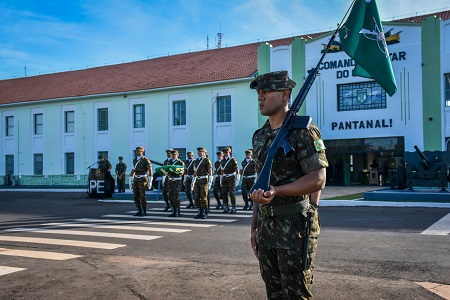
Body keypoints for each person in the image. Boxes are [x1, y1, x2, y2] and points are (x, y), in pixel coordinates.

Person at [248, 71, 327, 299]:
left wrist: (278, 191)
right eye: (259, 93)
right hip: (266, 227)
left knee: (296, 294)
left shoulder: (303, 132)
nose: (260, 97)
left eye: (266, 91)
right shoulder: (260, 135)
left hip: (295, 228)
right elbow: (258, 183)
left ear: (285, 94)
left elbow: (318, 179)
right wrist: (254, 227)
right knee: (273, 293)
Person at [130, 146, 153, 216]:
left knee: (142, 195)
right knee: (135, 195)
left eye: (139, 151)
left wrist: (150, 181)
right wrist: (130, 180)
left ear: (142, 152)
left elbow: (150, 170)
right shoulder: (134, 160)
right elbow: (133, 170)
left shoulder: (145, 160)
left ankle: (144, 211)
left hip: (143, 179)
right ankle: (139, 210)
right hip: (136, 179)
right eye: (136, 151)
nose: (137, 152)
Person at [193, 147, 212, 219]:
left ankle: (204, 212)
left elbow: (210, 172)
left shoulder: (207, 161)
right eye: (198, 151)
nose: (199, 153)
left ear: (204, 153)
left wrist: (210, 181)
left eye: (201, 151)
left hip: (204, 181)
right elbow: (195, 172)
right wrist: (193, 181)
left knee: (203, 197)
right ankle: (199, 211)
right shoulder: (196, 161)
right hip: (197, 180)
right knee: (196, 197)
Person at [220, 147, 239, 213]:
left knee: (231, 193)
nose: (225, 154)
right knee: (224, 193)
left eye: (227, 152)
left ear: (229, 152)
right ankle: (226, 207)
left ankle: (233, 207)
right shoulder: (222, 161)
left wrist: (237, 179)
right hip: (225, 178)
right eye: (224, 153)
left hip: (231, 177)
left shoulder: (233, 160)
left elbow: (237, 170)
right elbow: (222, 171)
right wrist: (221, 179)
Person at [167, 150, 184, 217]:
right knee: (170, 196)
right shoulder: (169, 162)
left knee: (176, 196)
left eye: (175, 154)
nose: (173, 156)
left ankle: (177, 211)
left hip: (177, 181)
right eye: (172, 154)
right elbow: (166, 171)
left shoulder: (180, 162)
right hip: (170, 180)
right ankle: (173, 210)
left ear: (177, 155)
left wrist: (174, 170)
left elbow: (181, 172)